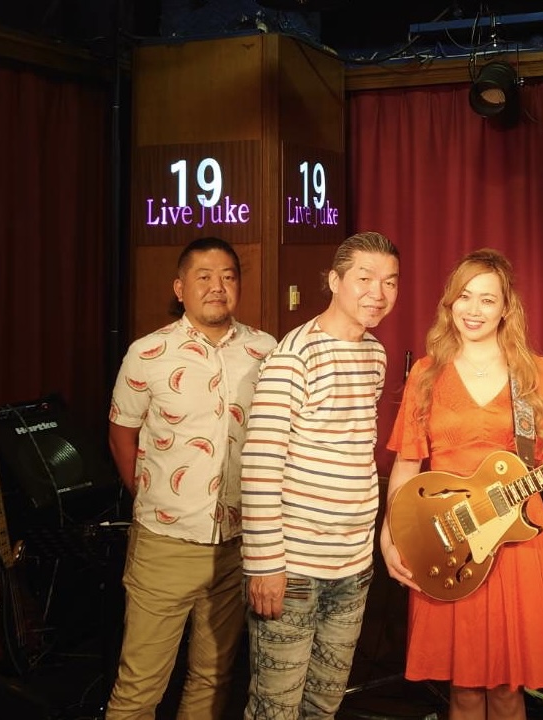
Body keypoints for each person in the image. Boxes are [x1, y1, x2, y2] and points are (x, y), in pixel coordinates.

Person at [380, 249, 543, 720]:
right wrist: (390, 536)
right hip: (447, 537)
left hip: (516, 539)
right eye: (464, 297)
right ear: (449, 303)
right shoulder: (427, 373)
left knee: (508, 690)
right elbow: (407, 465)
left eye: (487, 300)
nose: (473, 309)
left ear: (506, 308)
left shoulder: (534, 373)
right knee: (463, 691)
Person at [106, 236, 277, 719]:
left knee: (213, 679)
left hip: (238, 545)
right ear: (180, 288)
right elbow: (121, 435)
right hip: (165, 545)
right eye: (204, 277)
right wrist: (149, 497)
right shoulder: (148, 353)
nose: (217, 286)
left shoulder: (266, 351)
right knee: (139, 688)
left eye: (227, 276)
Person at [239, 231, 400, 720]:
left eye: (390, 282)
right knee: (275, 708)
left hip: (352, 564)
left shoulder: (375, 354)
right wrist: (265, 565)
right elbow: (260, 465)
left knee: (324, 704)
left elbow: (355, 449)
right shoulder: (294, 356)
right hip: (293, 568)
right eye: (365, 278)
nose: (378, 293)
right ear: (334, 281)